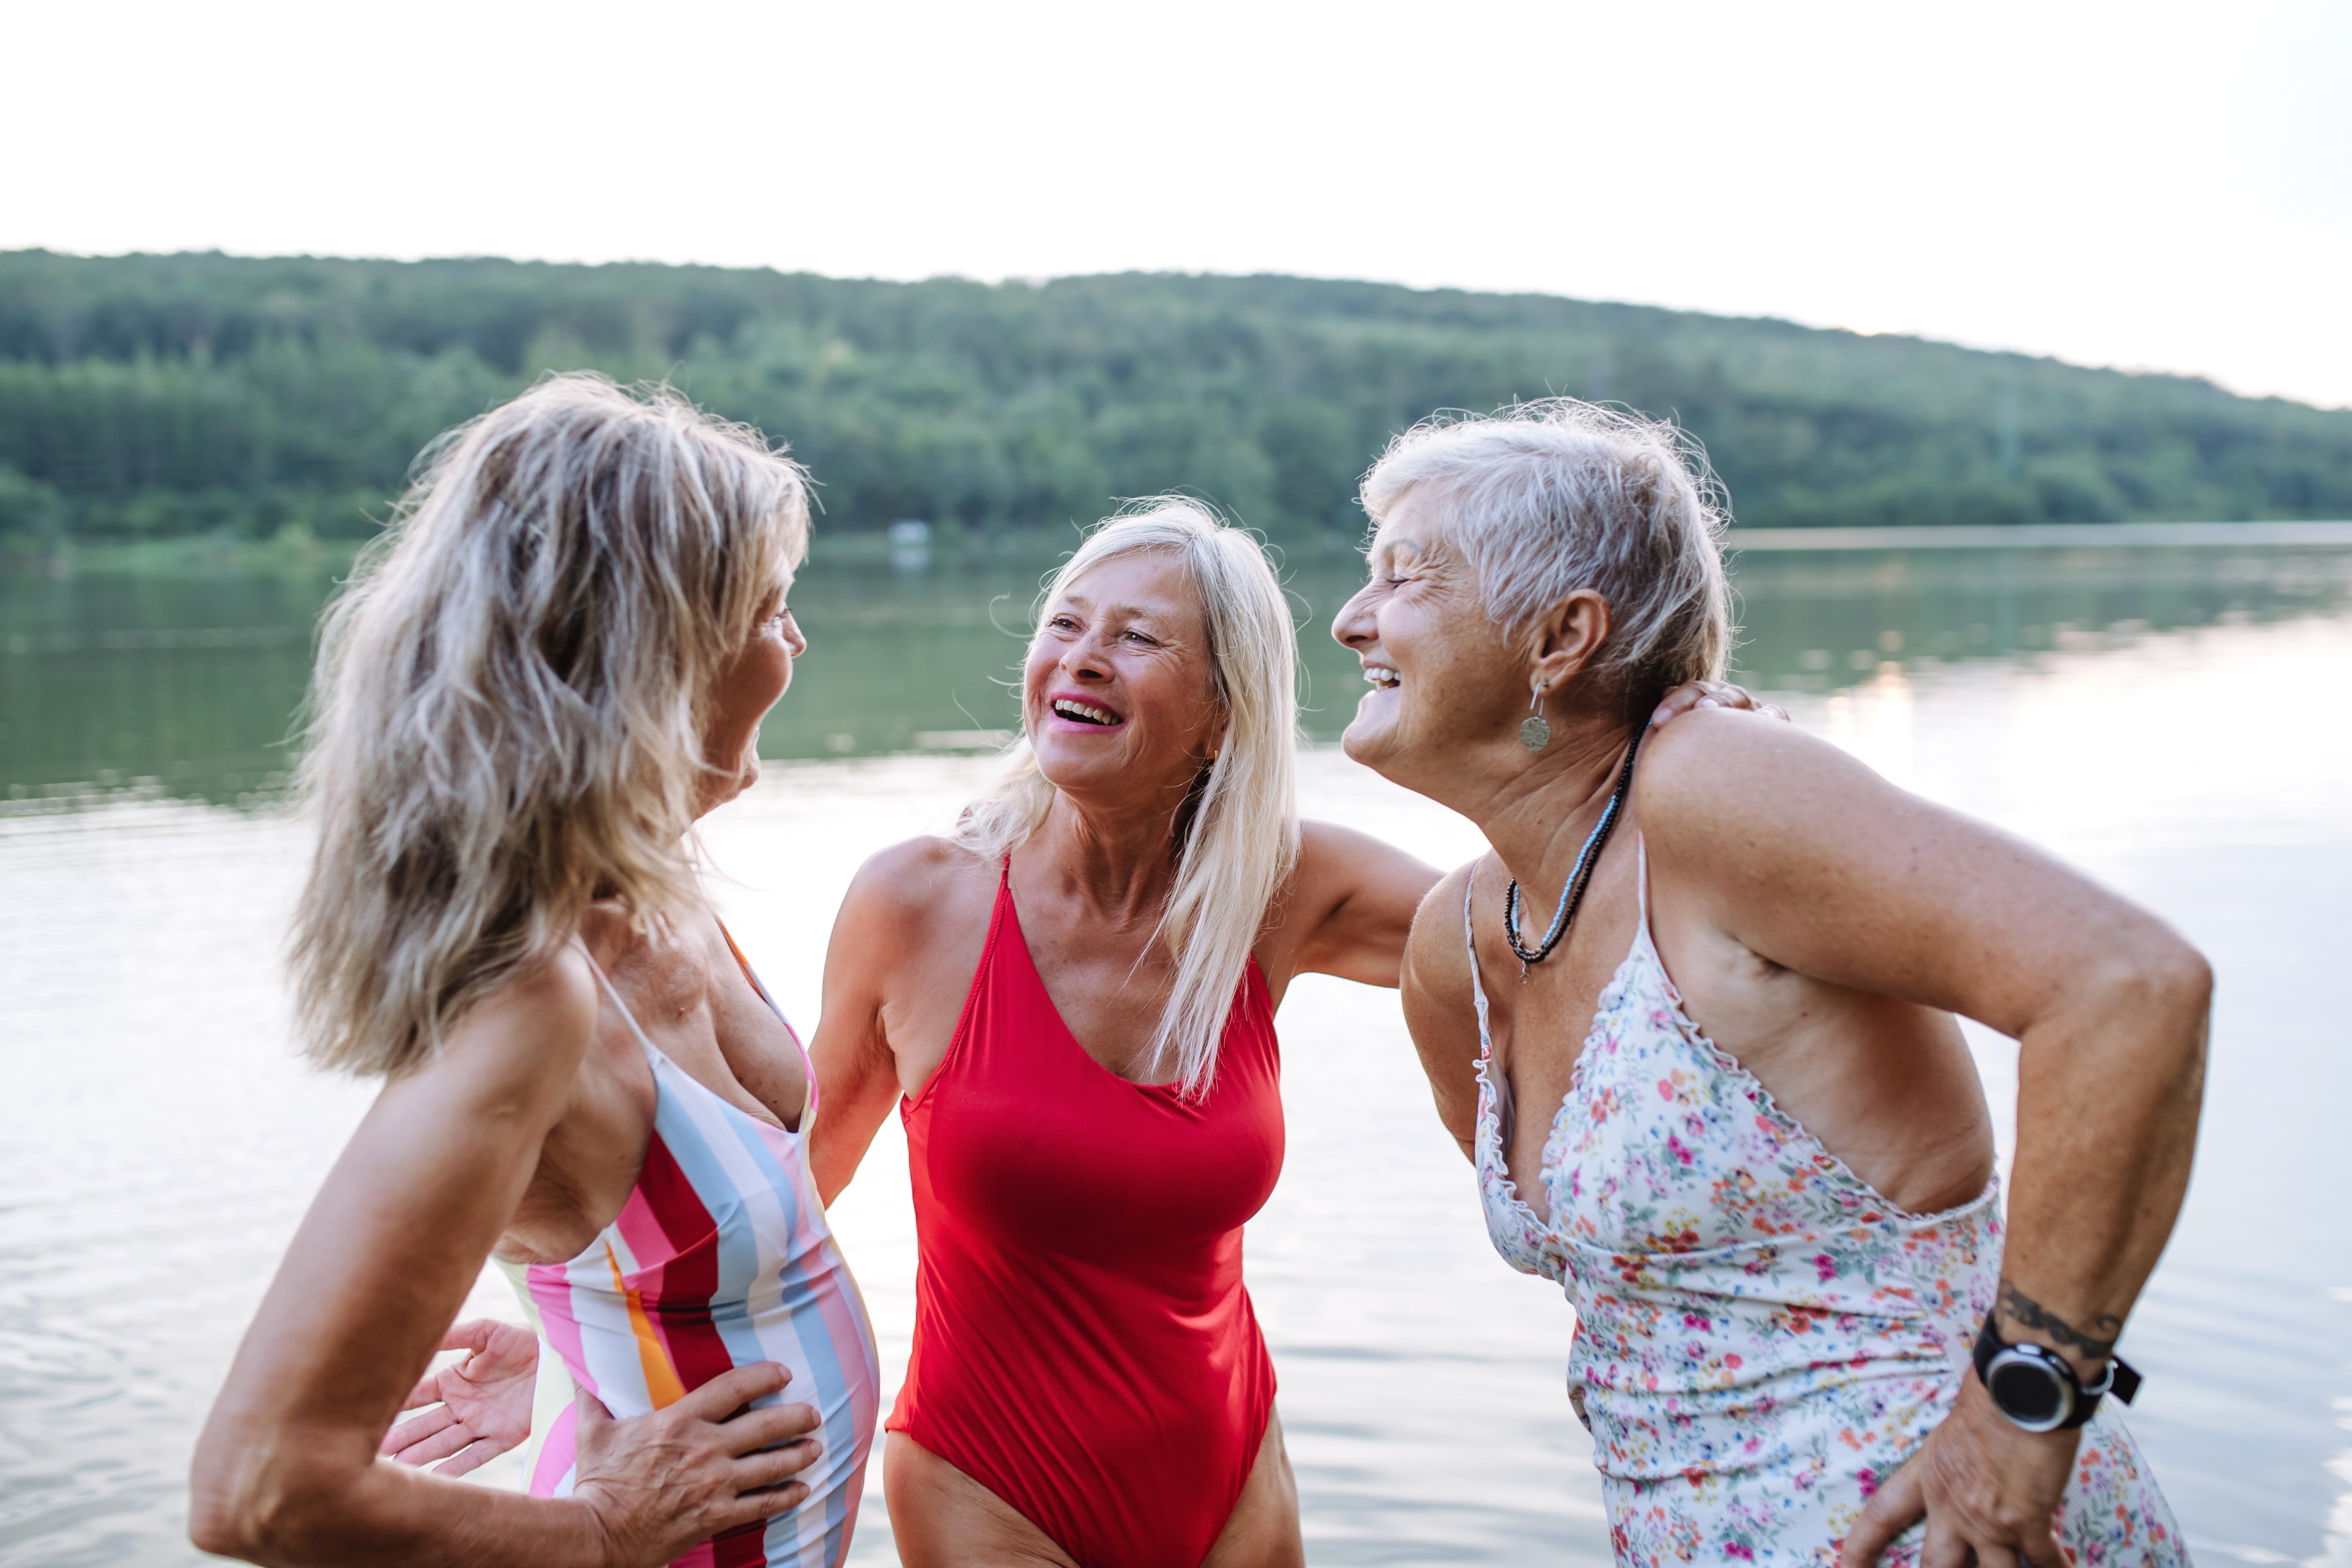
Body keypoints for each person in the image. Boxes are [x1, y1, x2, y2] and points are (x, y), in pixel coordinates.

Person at [807, 498, 1772, 1566]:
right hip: (986, 1480)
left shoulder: (1280, 889)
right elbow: (796, 1191)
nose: (1082, 660)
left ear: (1224, 711)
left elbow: (1557, 927)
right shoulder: (915, 904)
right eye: (1065, 626)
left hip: (1230, 1474)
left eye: (1134, 638)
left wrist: (1676, 752)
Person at [1332, 400, 2205, 1566]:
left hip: (1955, 1529)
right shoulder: (1456, 948)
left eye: (1402, 578)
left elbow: (2125, 988)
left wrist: (2019, 1416)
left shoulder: (1709, 787)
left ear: (1558, 639)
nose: (1349, 621)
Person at [189, 375, 881, 1568]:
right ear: (663, 650)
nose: (795, 642)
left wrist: (577, 1368)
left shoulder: (660, 887)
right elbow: (258, 1487)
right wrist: (601, 1526)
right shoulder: (529, 998)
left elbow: (634, 1243)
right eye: (772, 607)